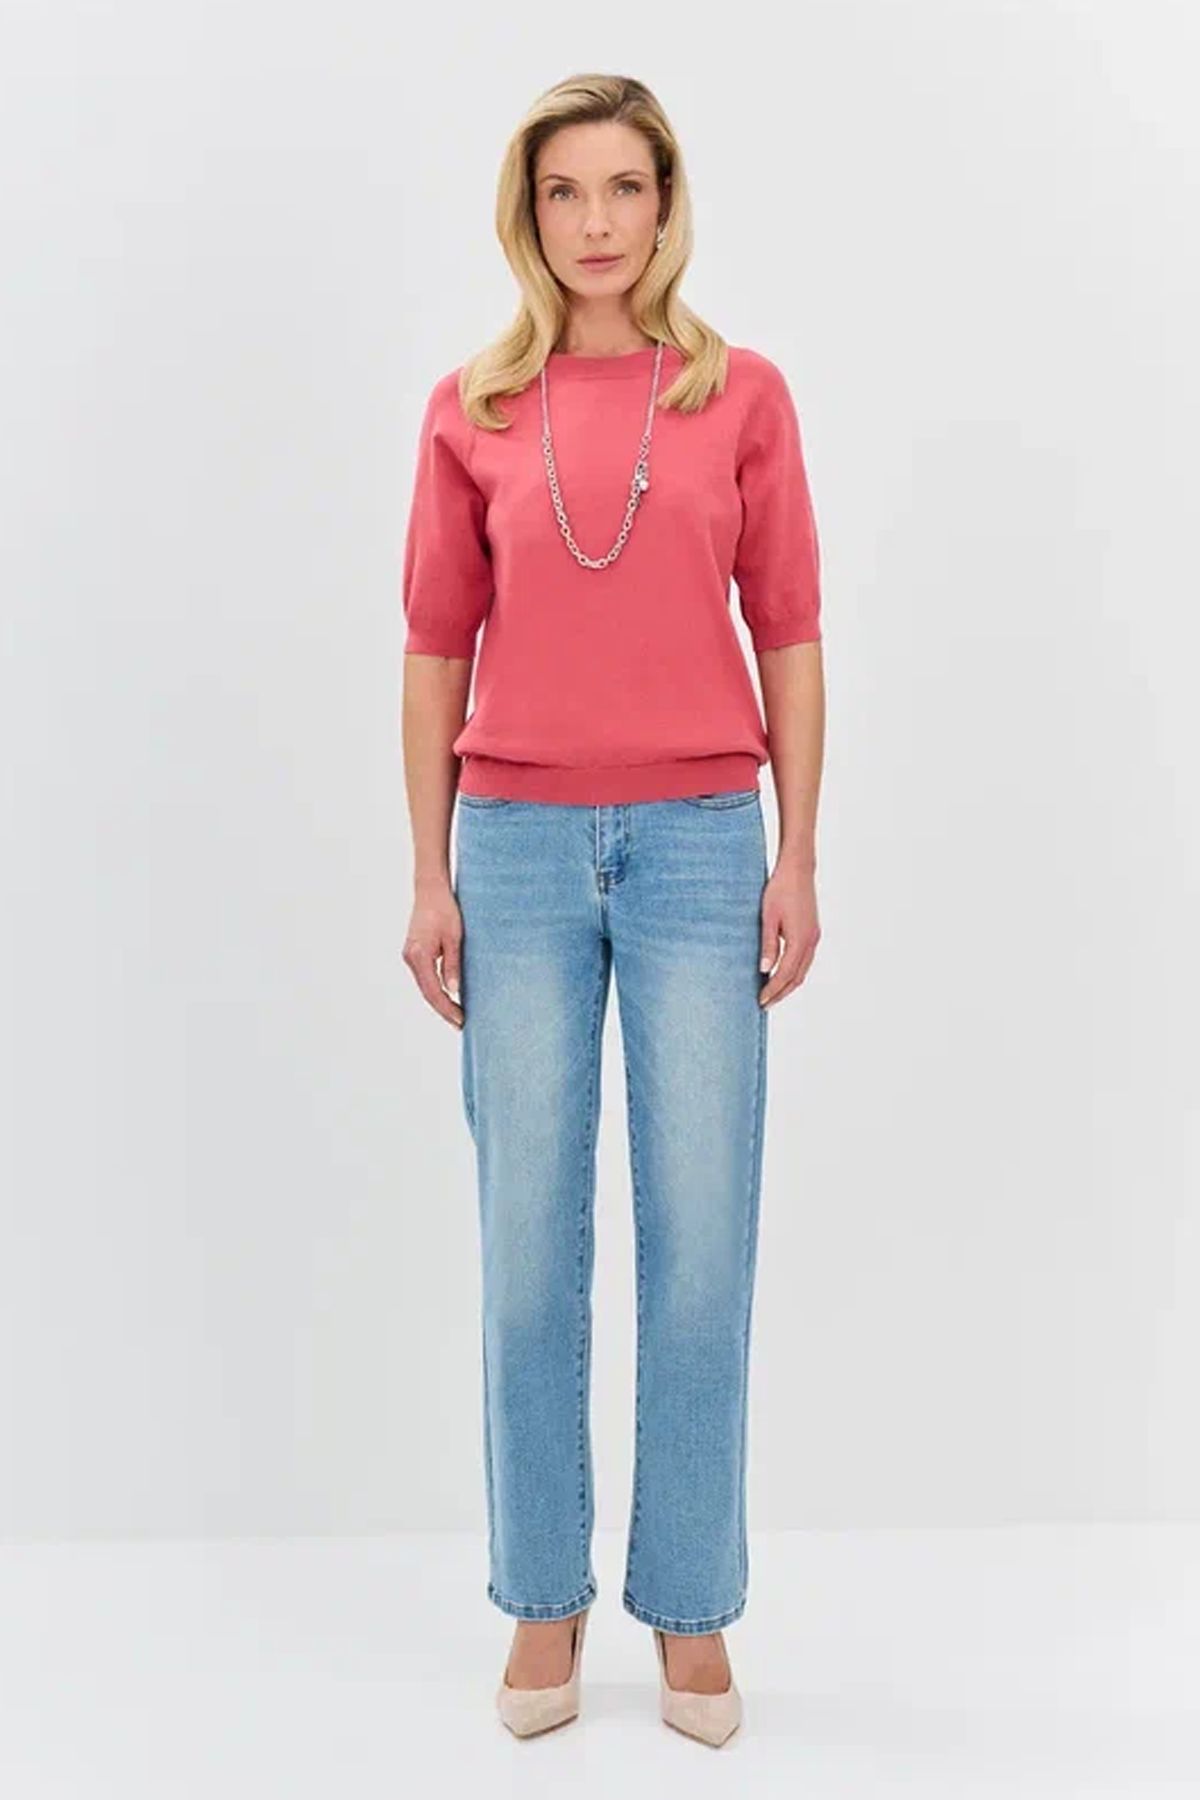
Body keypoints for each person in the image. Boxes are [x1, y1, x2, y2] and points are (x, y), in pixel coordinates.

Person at [400, 72, 825, 1747]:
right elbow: (434, 651)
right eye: (565, 192)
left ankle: (693, 1608)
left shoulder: (742, 397)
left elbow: (788, 632)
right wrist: (423, 870)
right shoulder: (472, 410)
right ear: (531, 215)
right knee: (526, 1251)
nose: (596, 222)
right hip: (511, 851)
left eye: (624, 189)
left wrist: (799, 854)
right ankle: (543, 1598)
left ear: (666, 204)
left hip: (702, 846)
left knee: (703, 1242)